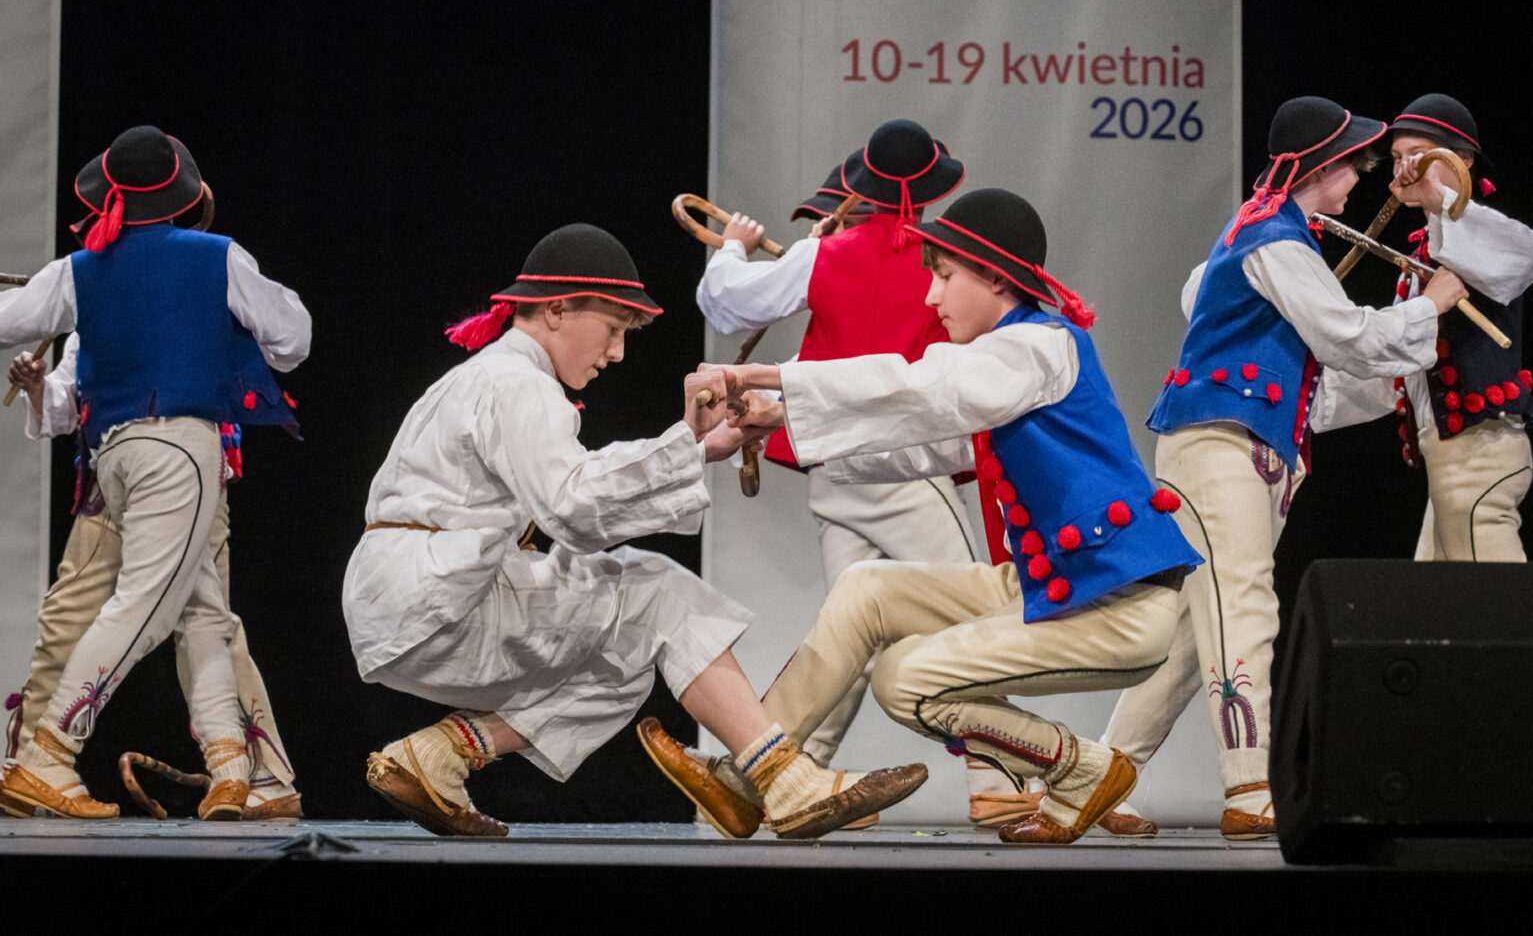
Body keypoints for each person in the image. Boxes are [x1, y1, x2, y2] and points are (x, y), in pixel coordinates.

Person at [655, 186, 1204, 845]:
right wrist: (782, 418)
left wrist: (771, 378)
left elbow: (921, 386)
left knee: (904, 679)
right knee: (865, 590)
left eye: (944, 276)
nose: (930, 297)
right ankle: (753, 777)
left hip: (1118, 604)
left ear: (995, 277)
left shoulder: (1035, 347)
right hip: (1061, 586)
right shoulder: (1009, 367)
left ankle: (1081, 768)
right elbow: (921, 443)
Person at [344, 222, 926, 838]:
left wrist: (698, 448)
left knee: (624, 657)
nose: (617, 353)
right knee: (658, 591)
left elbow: (575, 491)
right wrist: (688, 444)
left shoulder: (493, 376)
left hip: (417, 598)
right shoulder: (515, 382)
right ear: (557, 309)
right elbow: (573, 507)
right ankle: (784, 780)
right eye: (614, 328)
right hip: (439, 596)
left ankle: (438, 756)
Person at [1097, 96, 1467, 839]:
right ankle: (1248, 786)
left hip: (1239, 446)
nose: (1360, 177)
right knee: (1244, 604)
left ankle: (1096, 777)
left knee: (1194, 630)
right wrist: (1429, 306)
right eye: (1354, 164)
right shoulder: (1274, 237)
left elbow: (1309, 381)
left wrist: (1399, 375)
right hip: (1219, 446)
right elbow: (1345, 337)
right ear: (1321, 166)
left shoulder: (1268, 232)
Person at [697, 122, 1030, 826]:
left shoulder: (823, 253)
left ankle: (781, 779)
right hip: (908, 465)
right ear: (932, 188)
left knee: (844, 638)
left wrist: (733, 246)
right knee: (973, 624)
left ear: (860, 189)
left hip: (835, 468)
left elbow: (726, 302)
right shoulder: (945, 263)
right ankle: (996, 779)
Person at [0, 124, 308, 820]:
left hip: (114, 456)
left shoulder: (79, 269)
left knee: (202, 609)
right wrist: (230, 326)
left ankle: (231, 768)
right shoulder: (217, 256)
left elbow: (9, 321)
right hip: (179, 449)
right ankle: (49, 753)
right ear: (182, 195)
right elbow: (294, 340)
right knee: (145, 604)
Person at [4, 334, 301, 819]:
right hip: (117, 468)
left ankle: (256, 777)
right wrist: (39, 388)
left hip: (190, 466)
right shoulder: (100, 299)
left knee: (207, 618)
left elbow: (289, 336)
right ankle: (30, 765)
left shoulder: (208, 288)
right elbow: (68, 394)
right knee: (72, 616)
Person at [1384, 94, 1533, 561]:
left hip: (1479, 453)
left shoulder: (1482, 236)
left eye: (1419, 155)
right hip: (1448, 458)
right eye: (1397, 157)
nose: (1405, 169)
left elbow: (1528, 253)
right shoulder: (1426, 252)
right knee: (1437, 599)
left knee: (1490, 597)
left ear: (1462, 160)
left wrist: (1442, 202)